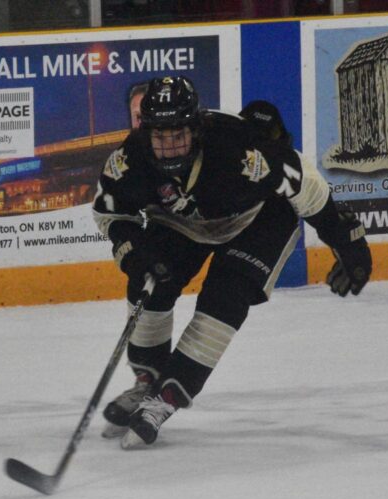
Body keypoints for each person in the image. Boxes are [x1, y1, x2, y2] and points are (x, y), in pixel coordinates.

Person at [94, 76, 371, 448]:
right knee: (148, 282)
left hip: (258, 219)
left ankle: (168, 396)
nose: (170, 147)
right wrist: (133, 252)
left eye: (178, 135)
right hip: (183, 222)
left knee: (225, 297)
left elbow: (303, 181)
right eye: (160, 137)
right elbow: (111, 214)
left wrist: (344, 237)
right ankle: (148, 379)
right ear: (146, 133)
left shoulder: (238, 148)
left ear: (196, 129)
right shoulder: (130, 159)